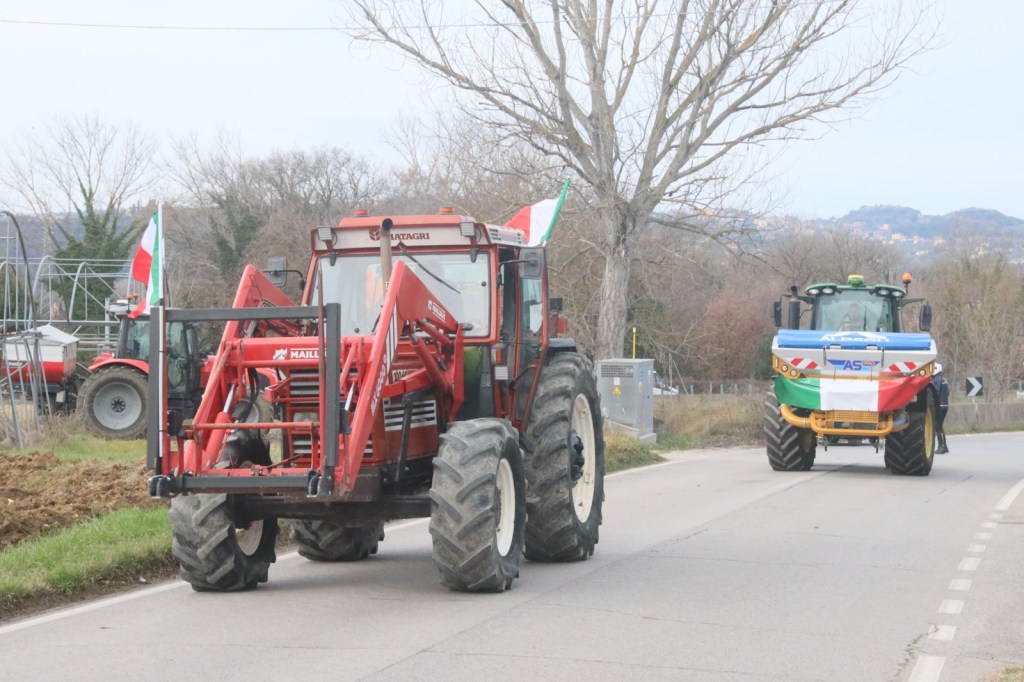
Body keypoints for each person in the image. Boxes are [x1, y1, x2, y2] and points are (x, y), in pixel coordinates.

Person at [932, 363, 950, 454]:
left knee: (937, 426)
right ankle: (943, 446)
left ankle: (942, 446)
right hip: (945, 405)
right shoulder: (943, 379)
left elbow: (935, 392)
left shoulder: (937, 379)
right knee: (939, 426)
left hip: (940, 406)